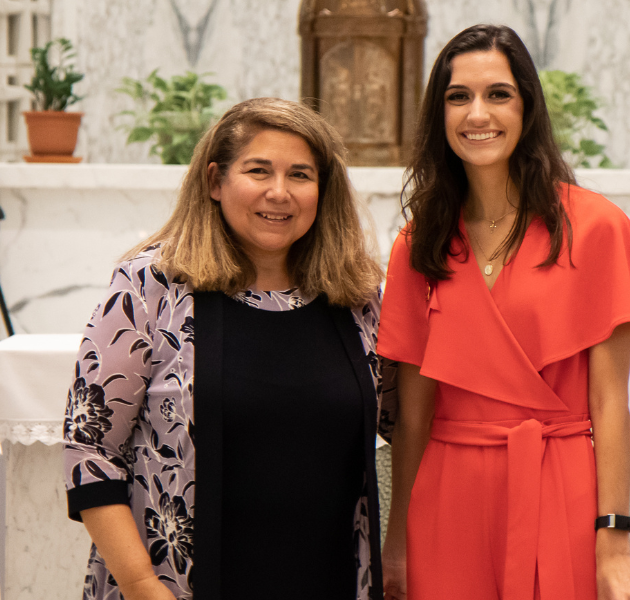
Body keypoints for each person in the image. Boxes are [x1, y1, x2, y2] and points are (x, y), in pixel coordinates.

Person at [377, 25, 630, 600]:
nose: (476, 113)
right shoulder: (419, 242)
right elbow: (414, 419)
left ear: (528, 107)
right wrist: (398, 543)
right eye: (458, 96)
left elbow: (610, 404)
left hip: (556, 484)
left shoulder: (597, 228)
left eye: (498, 94)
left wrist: (614, 544)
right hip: (447, 500)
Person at [62, 97, 387, 600]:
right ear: (215, 181)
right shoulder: (152, 285)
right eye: (259, 170)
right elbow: (91, 449)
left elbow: (407, 423)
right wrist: (143, 586)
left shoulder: (356, 295)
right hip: (177, 586)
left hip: (328, 579)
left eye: (301, 175)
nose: (279, 192)